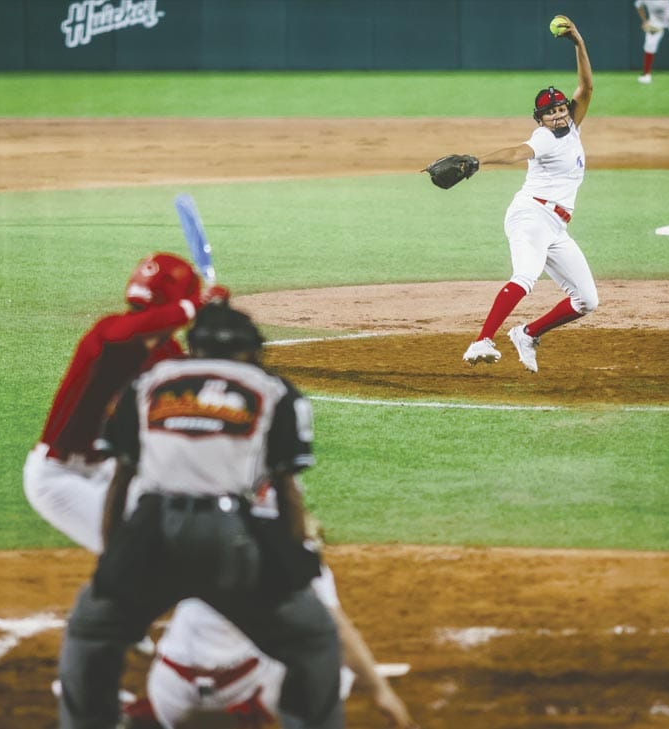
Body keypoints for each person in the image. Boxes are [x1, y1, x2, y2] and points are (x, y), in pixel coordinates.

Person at [57, 301, 343, 729]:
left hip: (150, 533)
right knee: (315, 639)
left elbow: (120, 480)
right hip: (231, 535)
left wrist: (113, 561)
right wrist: (293, 561)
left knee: (90, 634)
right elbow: (286, 490)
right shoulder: (275, 390)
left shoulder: (148, 384)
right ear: (249, 350)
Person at [23, 252, 228, 554]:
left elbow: (200, 386)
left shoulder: (166, 352)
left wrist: (216, 327)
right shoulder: (108, 332)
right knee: (133, 557)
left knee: (183, 529)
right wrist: (195, 305)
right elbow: (132, 332)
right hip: (61, 476)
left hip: (111, 472)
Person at [455, 16, 596, 373]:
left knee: (587, 300)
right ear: (541, 120)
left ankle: (527, 333)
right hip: (531, 215)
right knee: (525, 277)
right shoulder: (543, 140)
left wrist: (578, 42)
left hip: (557, 227)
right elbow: (516, 152)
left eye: (562, 109)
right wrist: (478, 161)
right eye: (551, 113)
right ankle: (481, 340)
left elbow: (587, 87)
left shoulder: (573, 129)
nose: (559, 116)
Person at [121, 562, 418, 728]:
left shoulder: (194, 539)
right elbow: (335, 632)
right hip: (240, 688)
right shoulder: (290, 555)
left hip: (170, 695)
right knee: (327, 660)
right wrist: (381, 691)